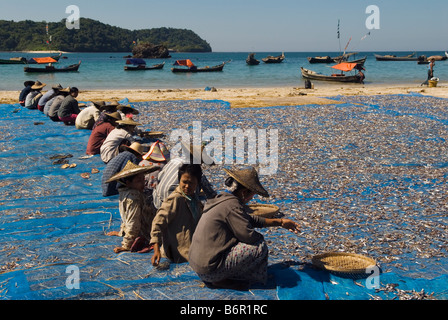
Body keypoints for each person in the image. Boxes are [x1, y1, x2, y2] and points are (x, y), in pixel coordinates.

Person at [188, 166, 300, 290]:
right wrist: (258, 237)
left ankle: (223, 274)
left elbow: (249, 219)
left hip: (197, 265)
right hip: (209, 271)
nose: (252, 198)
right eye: (252, 194)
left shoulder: (222, 198)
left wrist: (280, 222)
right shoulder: (232, 205)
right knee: (259, 246)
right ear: (244, 192)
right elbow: (248, 236)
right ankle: (221, 279)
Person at [150, 163, 204, 266]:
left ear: (197, 183)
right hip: (179, 253)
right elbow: (157, 223)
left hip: (193, 246)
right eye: (184, 182)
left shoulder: (194, 199)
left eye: (191, 183)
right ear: (179, 180)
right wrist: (156, 250)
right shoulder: (175, 199)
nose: (187, 186)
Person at [105, 161, 159, 254]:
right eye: (139, 181)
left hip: (147, 233)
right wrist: (123, 235)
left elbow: (133, 221)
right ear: (128, 183)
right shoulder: (130, 195)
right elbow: (130, 219)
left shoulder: (131, 196)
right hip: (143, 231)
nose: (143, 183)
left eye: (143, 179)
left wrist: (126, 244)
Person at [151, 142, 217, 211]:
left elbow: (160, 176)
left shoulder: (173, 161)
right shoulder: (193, 171)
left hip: (156, 199)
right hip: (171, 206)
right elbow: (211, 195)